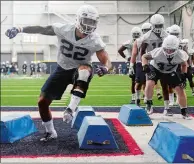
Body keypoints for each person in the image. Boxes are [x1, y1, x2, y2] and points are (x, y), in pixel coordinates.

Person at [5, 4, 112, 141]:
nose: (89, 25)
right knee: (42, 102)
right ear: (78, 19)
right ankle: (50, 132)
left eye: (92, 22)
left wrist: (106, 68)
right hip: (62, 68)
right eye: (87, 21)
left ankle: (70, 109)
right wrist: (20, 29)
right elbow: (41, 29)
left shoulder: (95, 39)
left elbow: (105, 59)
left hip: (80, 68)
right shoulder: (64, 29)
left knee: (84, 72)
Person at [142, 35, 190, 119]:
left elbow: (184, 65)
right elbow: (144, 56)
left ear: (177, 48)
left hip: (169, 71)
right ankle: (149, 104)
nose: (168, 52)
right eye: (166, 49)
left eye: (171, 50)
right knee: (150, 83)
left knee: (180, 88)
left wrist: (183, 76)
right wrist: (146, 67)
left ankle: (184, 111)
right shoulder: (158, 52)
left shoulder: (181, 55)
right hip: (156, 69)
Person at [140, 14, 168, 113]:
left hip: (165, 63)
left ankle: (167, 107)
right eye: (157, 26)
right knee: (149, 83)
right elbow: (142, 51)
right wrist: (145, 63)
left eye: (160, 25)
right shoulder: (147, 36)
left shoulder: (166, 35)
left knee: (165, 85)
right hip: (152, 62)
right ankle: (148, 104)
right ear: (152, 25)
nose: (158, 28)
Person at [130, 23, 151, 106]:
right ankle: (137, 98)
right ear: (142, 31)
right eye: (145, 30)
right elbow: (134, 53)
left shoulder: (153, 39)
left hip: (151, 63)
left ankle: (147, 98)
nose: (146, 32)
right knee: (139, 82)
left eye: (148, 30)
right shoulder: (139, 40)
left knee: (149, 83)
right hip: (140, 62)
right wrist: (131, 65)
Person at [118, 26, 141, 103]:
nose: (136, 35)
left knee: (142, 81)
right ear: (132, 34)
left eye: (138, 34)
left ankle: (140, 97)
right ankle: (134, 97)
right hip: (133, 63)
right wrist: (127, 57)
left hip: (141, 62)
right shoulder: (129, 42)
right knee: (134, 81)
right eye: (135, 34)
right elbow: (120, 50)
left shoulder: (143, 41)